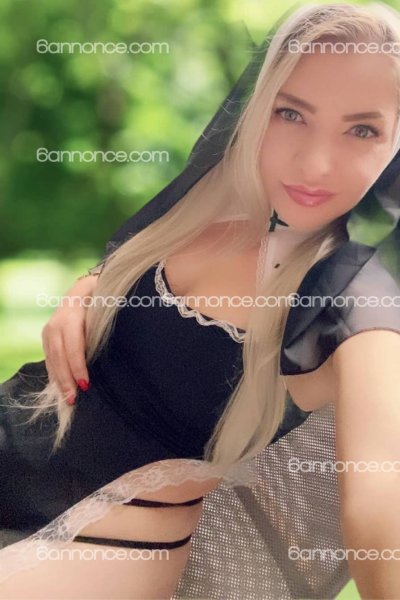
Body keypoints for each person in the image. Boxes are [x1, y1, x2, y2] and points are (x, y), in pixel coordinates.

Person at [1, 2, 400, 598]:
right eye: (291, 113)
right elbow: (125, 271)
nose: (315, 163)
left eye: (362, 130)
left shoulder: (360, 302)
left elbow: (378, 503)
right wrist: (90, 287)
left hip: (97, 547)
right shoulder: (211, 214)